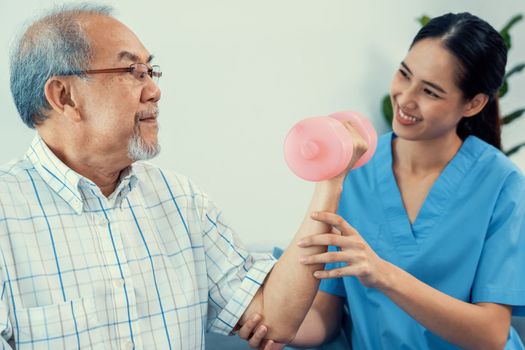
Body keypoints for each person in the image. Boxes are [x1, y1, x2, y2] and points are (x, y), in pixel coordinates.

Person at [1, 4, 368, 349]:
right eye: (133, 73)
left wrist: (330, 176)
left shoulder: (179, 198)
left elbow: (274, 315)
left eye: (151, 71)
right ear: (63, 96)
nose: (154, 90)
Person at [242, 12, 525, 350]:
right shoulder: (352, 170)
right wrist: (281, 328)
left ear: (473, 103)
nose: (406, 99)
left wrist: (384, 275)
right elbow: (326, 313)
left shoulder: (501, 184)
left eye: (431, 92)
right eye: (404, 74)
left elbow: (491, 334)